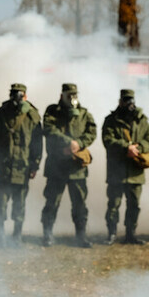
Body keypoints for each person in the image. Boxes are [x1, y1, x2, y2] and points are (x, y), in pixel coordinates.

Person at [0, 83, 43, 246]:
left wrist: (35, 166)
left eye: (20, 95)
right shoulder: (1, 114)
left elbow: (37, 144)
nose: (17, 98)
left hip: (22, 167)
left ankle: (17, 235)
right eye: (14, 94)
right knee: (1, 204)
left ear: (25, 96)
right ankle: (0, 235)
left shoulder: (32, 116)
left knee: (19, 204)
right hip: (3, 166)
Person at [41, 83, 97, 248]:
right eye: (68, 95)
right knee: (52, 202)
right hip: (57, 166)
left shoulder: (84, 114)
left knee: (79, 204)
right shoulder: (52, 112)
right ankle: (48, 235)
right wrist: (68, 142)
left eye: (74, 95)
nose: (72, 98)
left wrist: (78, 144)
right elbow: (49, 130)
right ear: (61, 96)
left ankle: (81, 237)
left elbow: (92, 132)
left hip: (77, 168)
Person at [102, 89, 149, 245]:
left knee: (134, 206)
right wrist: (126, 147)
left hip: (135, 172)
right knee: (113, 205)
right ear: (120, 102)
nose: (129, 104)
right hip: (116, 172)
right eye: (126, 100)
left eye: (131, 100)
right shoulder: (111, 120)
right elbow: (108, 140)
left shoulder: (142, 120)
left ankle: (130, 234)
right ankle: (111, 233)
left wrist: (139, 148)